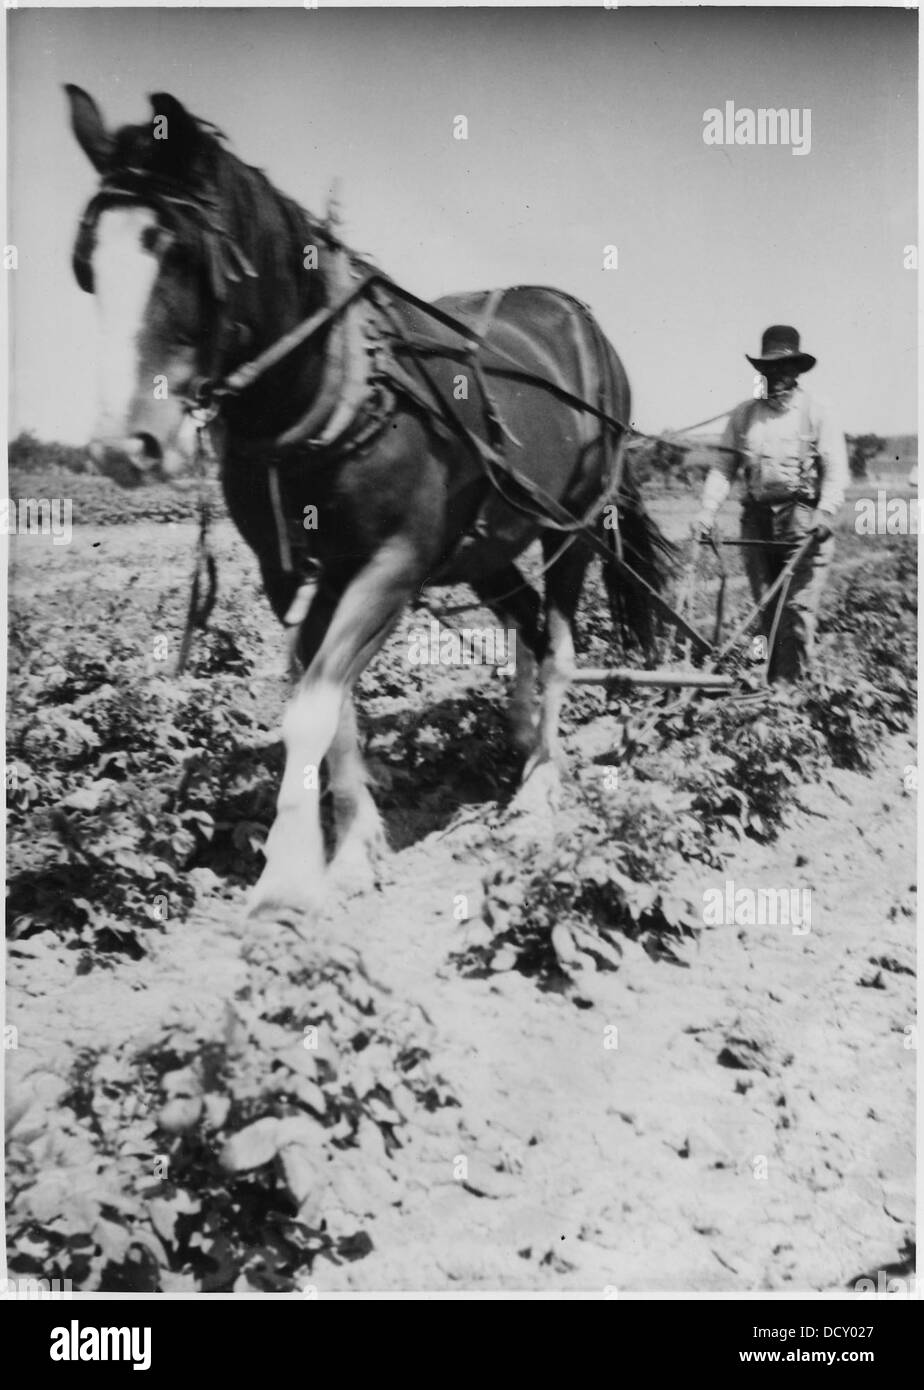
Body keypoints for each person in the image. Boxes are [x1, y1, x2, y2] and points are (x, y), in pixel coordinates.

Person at [695, 325, 848, 684]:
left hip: (803, 520)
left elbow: (836, 470)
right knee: (764, 606)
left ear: (796, 372)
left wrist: (825, 513)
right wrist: (706, 511)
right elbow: (723, 467)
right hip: (757, 520)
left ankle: (791, 689)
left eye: (782, 369)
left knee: (797, 609)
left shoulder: (817, 412)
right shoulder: (744, 415)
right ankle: (759, 677)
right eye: (767, 370)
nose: (774, 376)